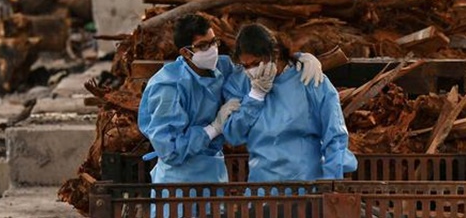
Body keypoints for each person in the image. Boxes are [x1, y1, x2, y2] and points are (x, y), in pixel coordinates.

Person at [138, 14, 326, 184]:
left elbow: (256, 64)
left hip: (215, 172)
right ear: (186, 53)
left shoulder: (222, 67)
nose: (212, 49)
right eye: (203, 46)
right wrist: (213, 129)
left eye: (214, 42)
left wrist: (300, 59)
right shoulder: (168, 87)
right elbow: (170, 150)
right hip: (177, 183)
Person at [222, 23, 357, 183]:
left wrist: (332, 181)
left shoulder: (309, 79)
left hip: (307, 187)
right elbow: (233, 135)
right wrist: (255, 97)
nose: (252, 70)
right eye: (246, 66)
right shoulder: (241, 84)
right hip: (262, 190)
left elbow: (335, 135)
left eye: (257, 63)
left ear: (275, 54)